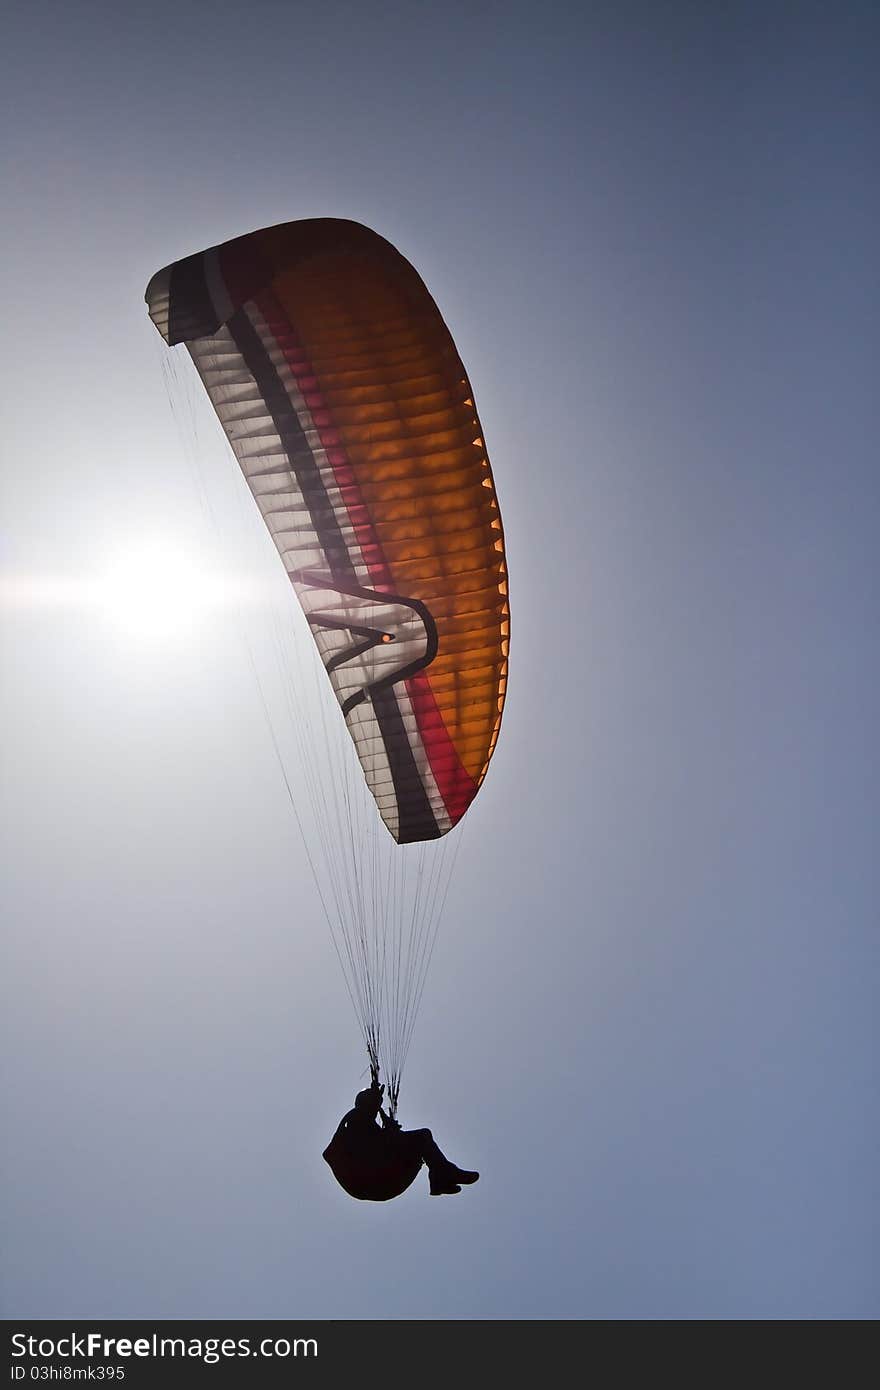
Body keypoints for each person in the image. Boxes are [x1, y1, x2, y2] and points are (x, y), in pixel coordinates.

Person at [323, 1079, 479, 1201]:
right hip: (375, 1179)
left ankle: (440, 1177)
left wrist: (388, 1126)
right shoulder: (356, 1121)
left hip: (377, 1183)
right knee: (422, 1137)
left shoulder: (356, 1125)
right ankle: (441, 1177)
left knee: (420, 1139)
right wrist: (391, 1129)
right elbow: (379, 1144)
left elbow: (379, 1142)